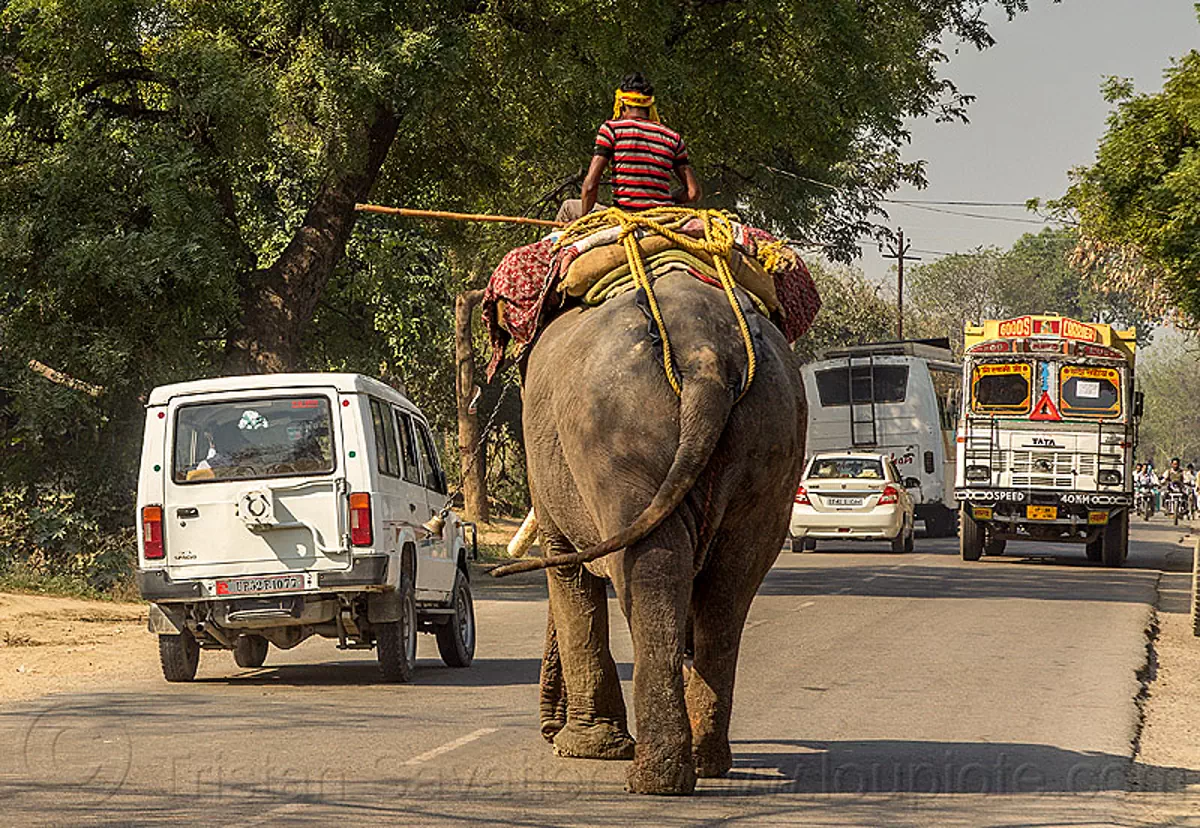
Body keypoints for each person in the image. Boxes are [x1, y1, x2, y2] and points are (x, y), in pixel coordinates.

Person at [558, 73, 702, 224]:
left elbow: (590, 186)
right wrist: (668, 199)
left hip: (625, 216)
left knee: (569, 207)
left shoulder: (611, 129)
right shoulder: (673, 138)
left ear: (621, 104)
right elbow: (693, 193)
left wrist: (583, 222)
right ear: (650, 106)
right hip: (662, 216)